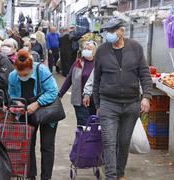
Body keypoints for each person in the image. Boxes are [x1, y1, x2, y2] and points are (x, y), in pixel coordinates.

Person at [93, 18, 153, 180]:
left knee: (124, 142)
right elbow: (96, 79)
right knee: (109, 142)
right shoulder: (101, 51)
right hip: (108, 103)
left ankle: (120, 174)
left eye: (113, 31)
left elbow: (145, 75)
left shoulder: (135, 48)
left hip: (131, 104)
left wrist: (146, 97)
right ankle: (111, 176)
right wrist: (98, 104)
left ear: (121, 31)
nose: (110, 34)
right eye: (108, 31)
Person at [8, 49, 58, 180]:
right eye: (20, 74)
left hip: (47, 112)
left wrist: (37, 103)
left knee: (47, 146)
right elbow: (12, 94)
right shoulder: (13, 76)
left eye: (25, 74)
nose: (22, 76)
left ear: (31, 68)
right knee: (28, 145)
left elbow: (53, 91)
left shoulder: (42, 70)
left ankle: (46, 177)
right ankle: (31, 175)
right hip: (26, 114)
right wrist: (17, 104)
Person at [58, 41, 97, 126]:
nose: (86, 50)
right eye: (85, 49)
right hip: (80, 100)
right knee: (83, 127)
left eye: (89, 49)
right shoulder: (78, 63)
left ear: (95, 52)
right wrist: (60, 94)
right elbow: (69, 79)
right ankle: (82, 139)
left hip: (96, 101)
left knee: (94, 127)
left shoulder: (98, 64)